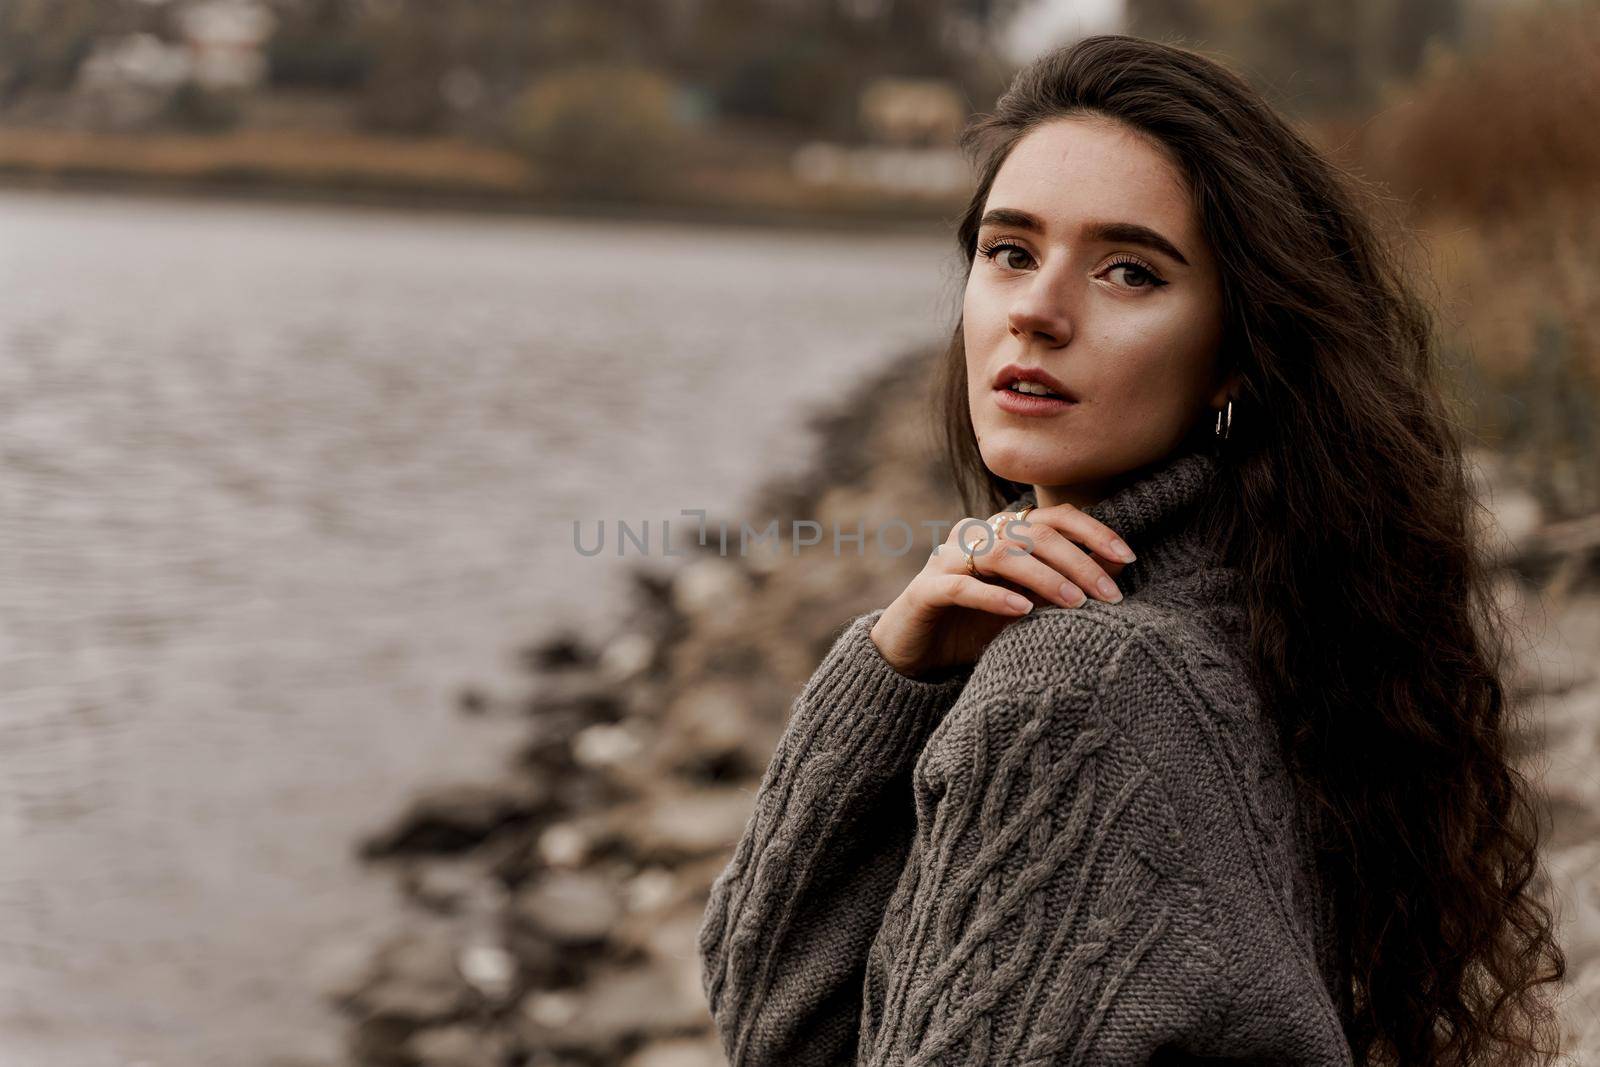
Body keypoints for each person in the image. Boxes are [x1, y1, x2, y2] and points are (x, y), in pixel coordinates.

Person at [697, 33, 1567, 1067]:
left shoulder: (1079, 685)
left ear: (1233, 357)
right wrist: (894, 670)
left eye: (1127, 271)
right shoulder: (1274, 612)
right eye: (1009, 252)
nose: (1036, 312)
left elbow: (774, 1037)